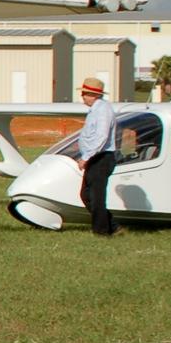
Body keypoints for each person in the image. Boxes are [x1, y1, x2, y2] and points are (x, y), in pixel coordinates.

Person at [74, 75, 118, 236]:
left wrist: (86, 157)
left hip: (101, 157)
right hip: (95, 157)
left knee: (96, 196)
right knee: (86, 194)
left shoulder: (103, 111)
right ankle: (111, 225)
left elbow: (101, 137)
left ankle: (102, 231)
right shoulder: (96, 110)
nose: (83, 96)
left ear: (94, 95)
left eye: (85, 93)